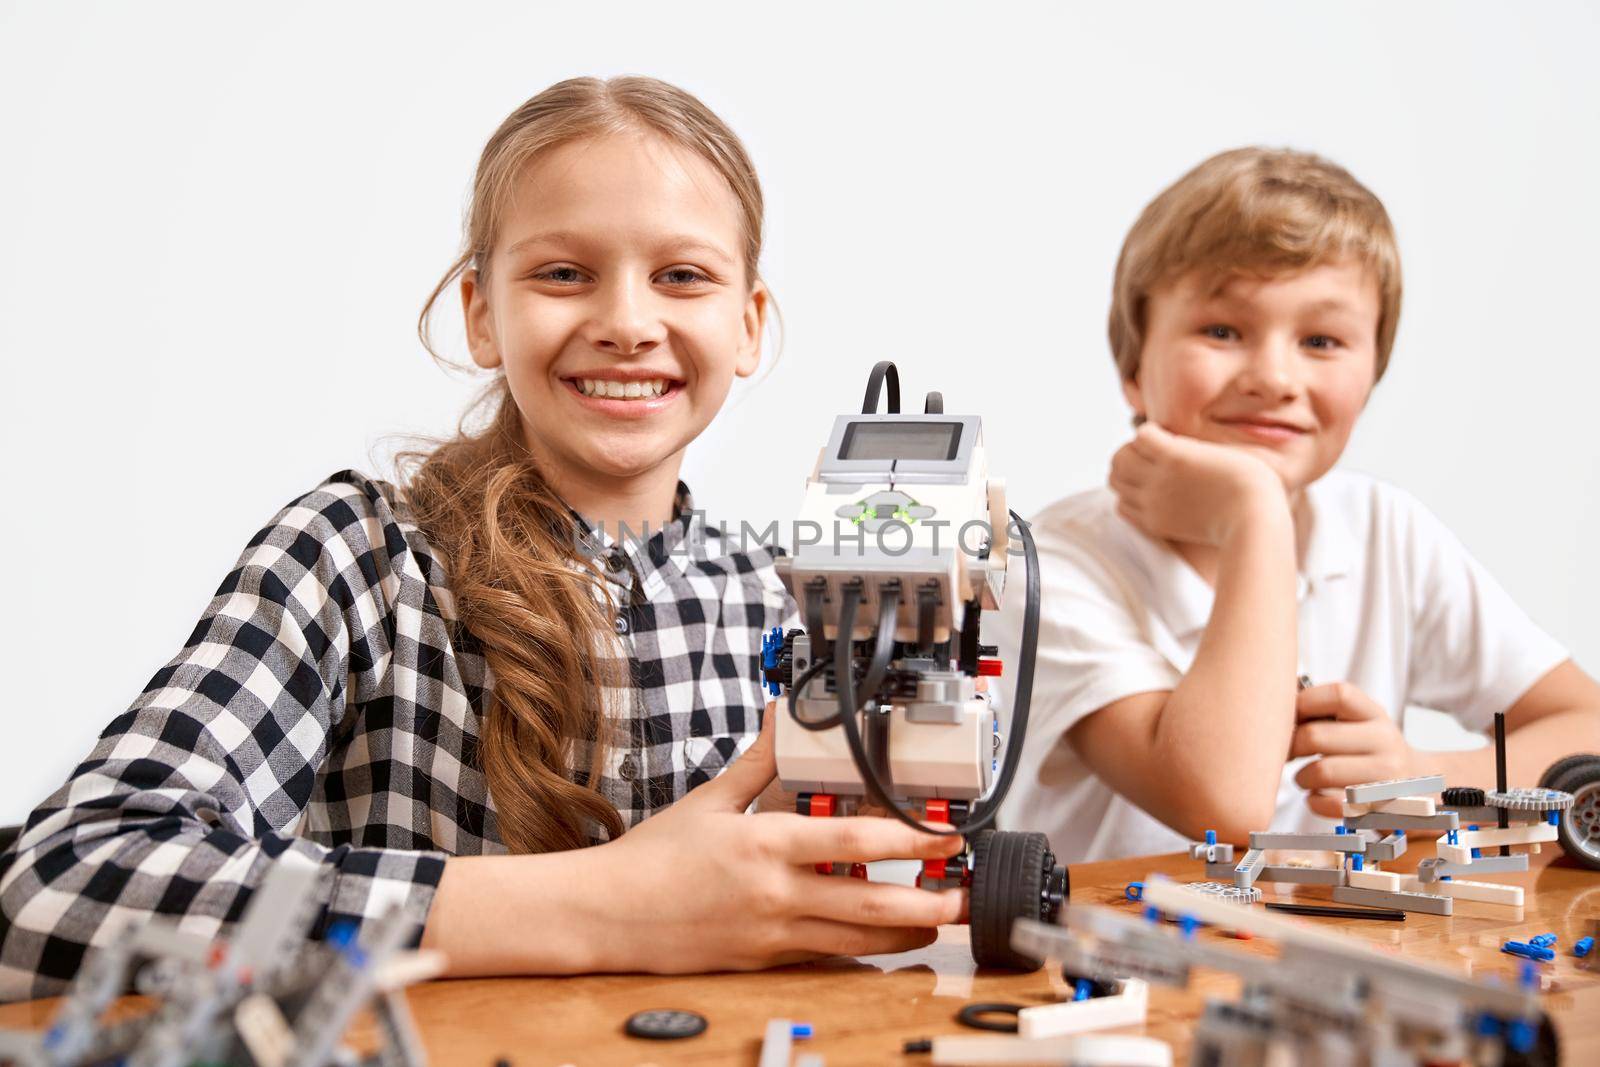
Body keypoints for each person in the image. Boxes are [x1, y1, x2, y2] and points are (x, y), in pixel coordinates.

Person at [0, 76, 964, 1002]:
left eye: (682, 275)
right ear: (480, 313)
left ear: (748, 325)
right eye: (563, 273)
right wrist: (615, 906)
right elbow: (56, 883)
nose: (628, 322)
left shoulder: (783, 602)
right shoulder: (356, 558)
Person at [991, 147, 1600, 861]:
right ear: (1133, 367)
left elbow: (1584, 722)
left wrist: (1434, 781)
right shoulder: (1047, 566)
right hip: (1113, 962)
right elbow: (1226, 803)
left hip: (1334, 953)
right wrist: (1254, 513)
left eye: (1321, 340)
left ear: (1372, 373)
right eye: (1221, 330)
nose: (1275, 376)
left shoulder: (1384, 532)